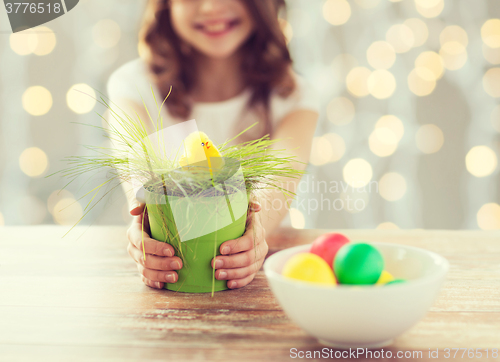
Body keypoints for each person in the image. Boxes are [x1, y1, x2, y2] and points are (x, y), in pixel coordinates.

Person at [106, 0, 319, 291]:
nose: (210, 7)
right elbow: (135, 164)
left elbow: (283, 172)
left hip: (259, 280)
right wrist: (144, 225)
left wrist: (253, 234)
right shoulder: (132, 85)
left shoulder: (293, 96)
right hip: (175, 277)